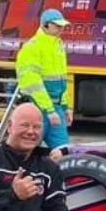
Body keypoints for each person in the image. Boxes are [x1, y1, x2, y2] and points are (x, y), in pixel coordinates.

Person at [16, 8, 73, 149]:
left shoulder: (58, 45)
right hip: (36, 108)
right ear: (45, 25)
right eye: (57, 26)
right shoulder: (32, 48)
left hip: (55, 109)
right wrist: (49, 110)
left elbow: (62, 80)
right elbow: (33, 84)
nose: (61, 29)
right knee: (26, 150)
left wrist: (65, 107)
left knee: (63, 151)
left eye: (62, 26)